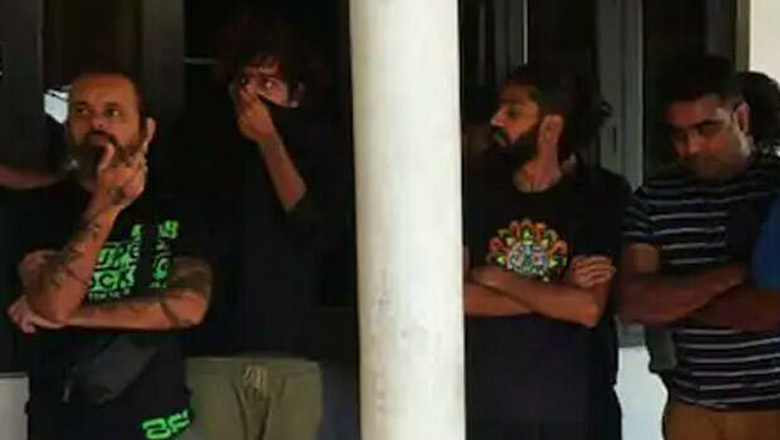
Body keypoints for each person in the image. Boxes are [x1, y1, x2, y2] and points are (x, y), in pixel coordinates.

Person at [3, 70, 211, 440]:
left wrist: (75, 316)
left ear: (146, 130)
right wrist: (106, 204)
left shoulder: (177, 205)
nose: (97, 123)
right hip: (64, 422)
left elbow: (189, 306)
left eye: (113, 112)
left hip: (157, 423)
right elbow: (52, 304)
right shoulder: (34, 209)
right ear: (68, 127)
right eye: (82, 111)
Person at [463, 63, 629, 439]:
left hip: (579, 413)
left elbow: (587, 309)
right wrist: (556, 292)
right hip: (489, 412)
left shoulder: (599, 194)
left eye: (513, 112)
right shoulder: (474, 188)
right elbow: (457, 298)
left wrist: (498, 279)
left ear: (551, 127)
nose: (496, 120)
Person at [621, 55, 780, 440]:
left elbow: (765, 311)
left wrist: (676, 299)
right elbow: (634, 304)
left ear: (741, 118)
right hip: (692, 409)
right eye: (678, 135)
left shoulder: (775, 187)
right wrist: (738, 274)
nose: (691, 147)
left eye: (706, 128)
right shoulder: (655, 196)